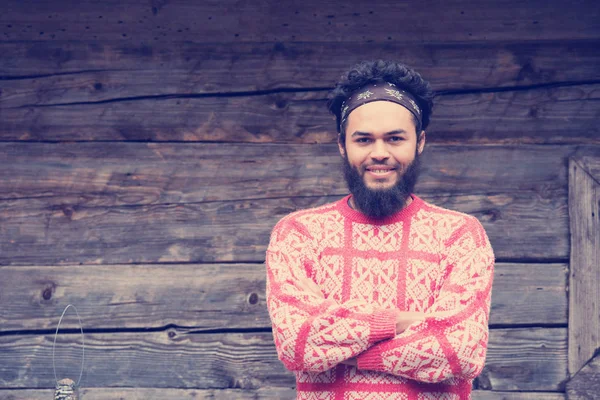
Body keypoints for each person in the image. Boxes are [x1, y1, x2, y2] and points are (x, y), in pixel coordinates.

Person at [265, 60, 495, 399]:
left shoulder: (460, 236)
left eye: (395, 138)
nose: (379, 153)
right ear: (342, 145)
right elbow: (297, 344)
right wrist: (400, 323)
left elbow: (460, 351)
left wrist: (343, 344)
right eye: (363, 140)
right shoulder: (299, 235)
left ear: (420, 142)